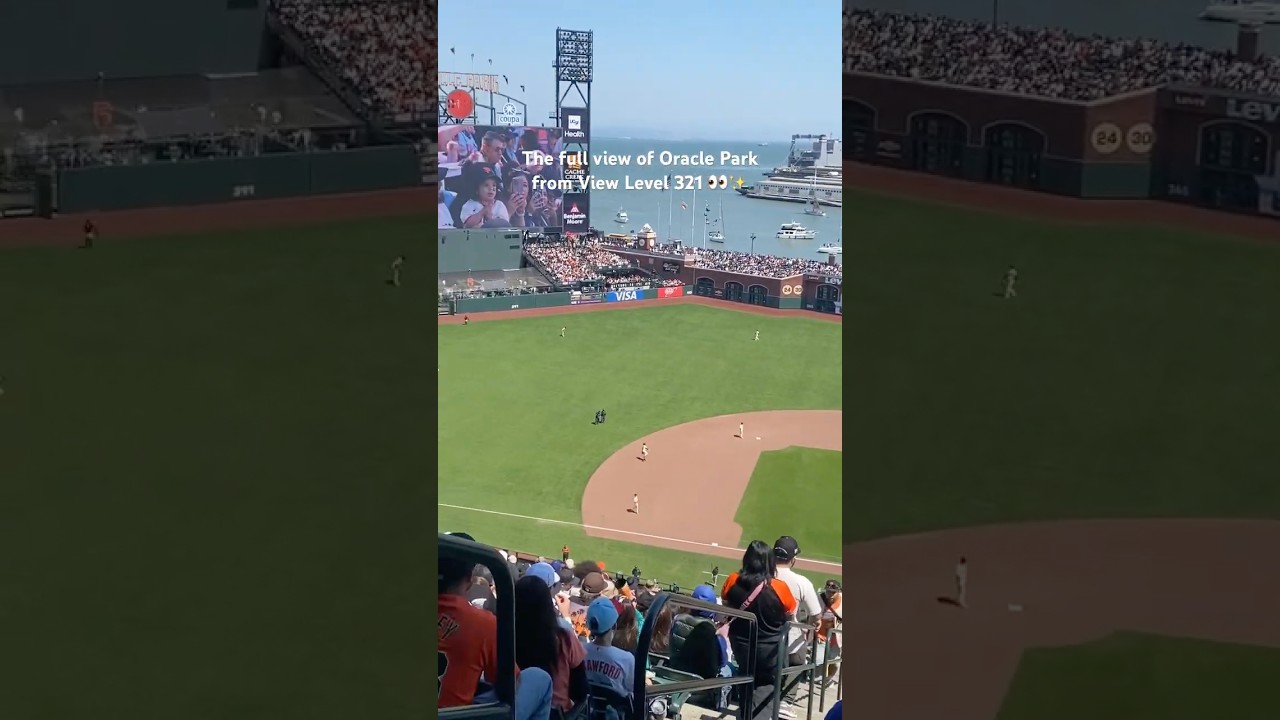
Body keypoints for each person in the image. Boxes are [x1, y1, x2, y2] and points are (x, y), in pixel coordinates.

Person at [438, 535, 553, 720]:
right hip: (454, 717)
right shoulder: (482, 623)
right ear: (468, 579)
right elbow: (510, 684)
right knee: (539, 678)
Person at [721, 540, 799, 719]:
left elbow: (725, 603)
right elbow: (791, 612)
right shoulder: (779, 587)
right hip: (770, 649)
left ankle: (746, 713)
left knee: (746, 678)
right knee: (766, 686)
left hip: (741, 645)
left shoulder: (732, 580)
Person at [514, 575, 588, 714]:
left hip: (515, 711)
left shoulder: (504, 633)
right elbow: (580, 691)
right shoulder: (564, 637)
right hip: (553, 713)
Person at [583, 597, 636, 701]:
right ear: (614, 626)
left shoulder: (579, 650)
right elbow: (632, 691)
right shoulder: (627, 659)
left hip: (585, 711)